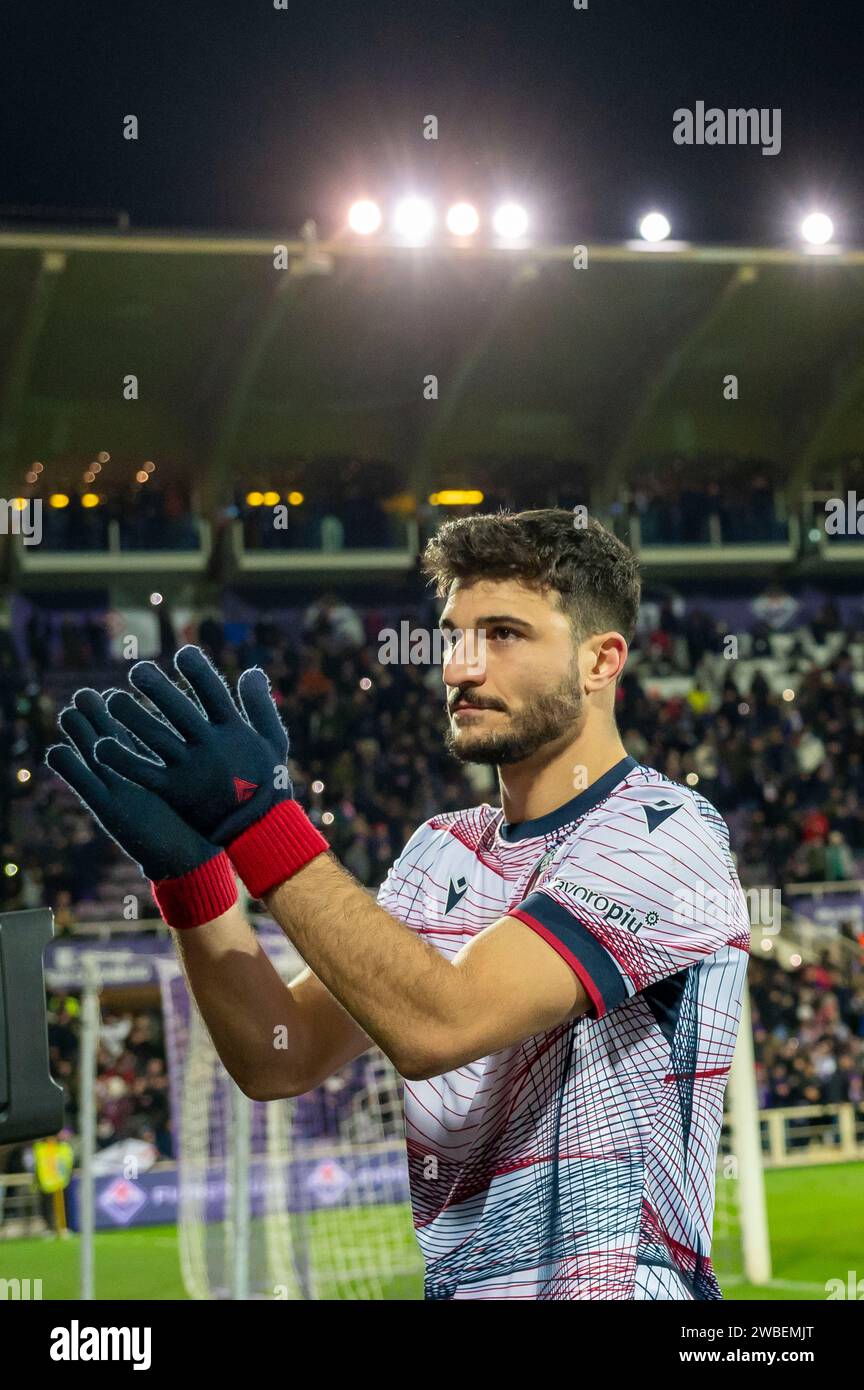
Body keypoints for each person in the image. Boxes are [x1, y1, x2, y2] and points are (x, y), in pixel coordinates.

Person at [47, 509, 749, 1301]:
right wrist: (194, 879)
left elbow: (439, 1025)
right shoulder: (440, 849)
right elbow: (280, 1056)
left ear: (601, 661)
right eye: (454, 636)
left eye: (505, 635)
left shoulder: (667, 833)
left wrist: (261, 824)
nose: (459, 669)